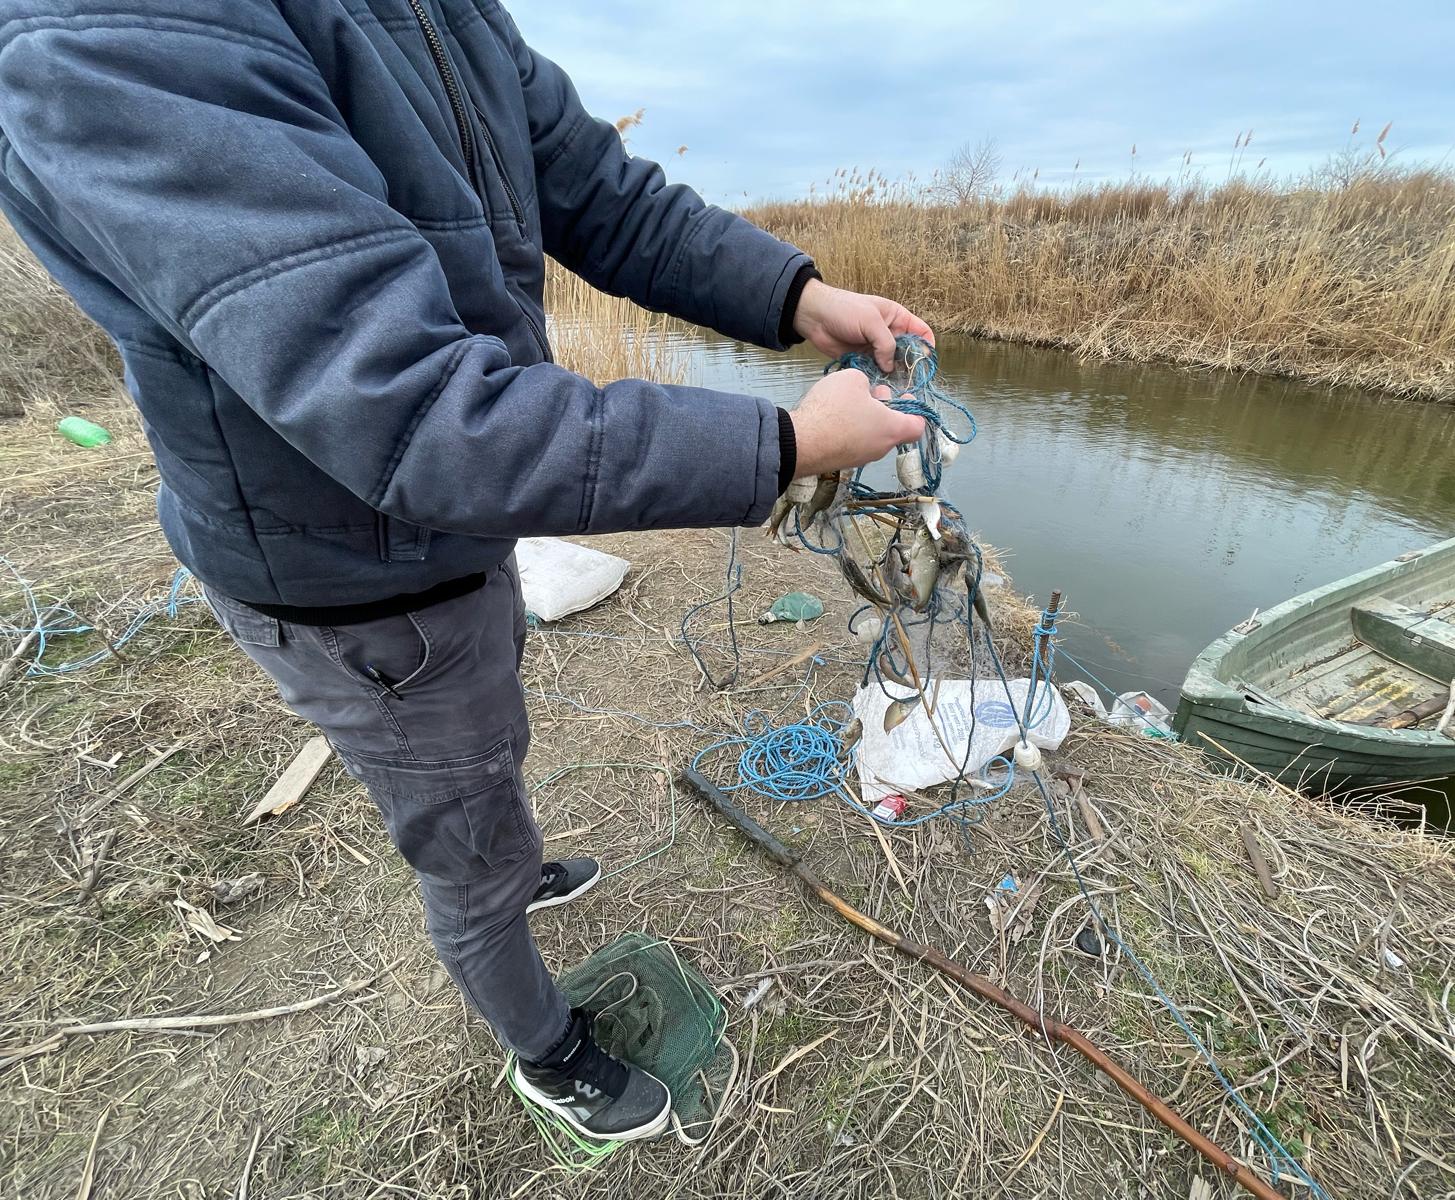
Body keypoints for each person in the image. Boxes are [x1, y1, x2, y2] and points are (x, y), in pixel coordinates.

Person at [0, 0, 930, 1143]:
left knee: (483, 752)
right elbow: (420, 414)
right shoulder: (113, 41)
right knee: (464, 843)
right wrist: (781, 447)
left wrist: (798, 298)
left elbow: (607, 196)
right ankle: (546, 1049)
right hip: (345, 580)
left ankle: (507, 861)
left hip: (454, 533)